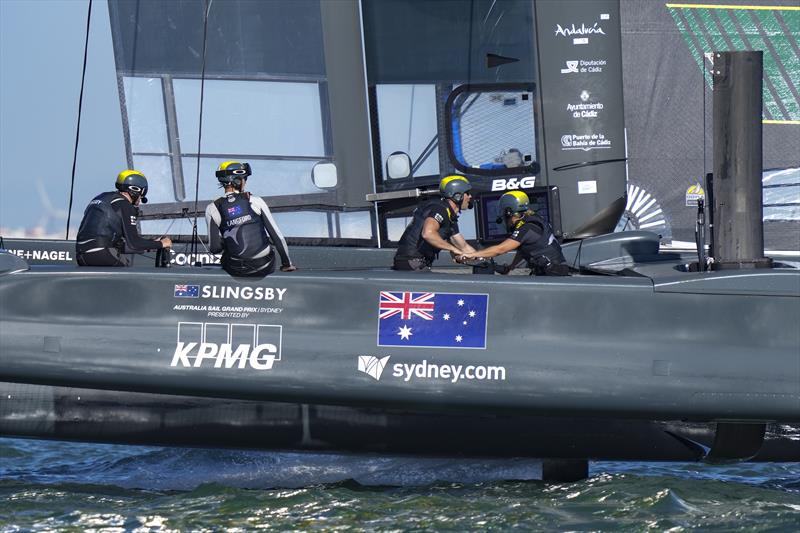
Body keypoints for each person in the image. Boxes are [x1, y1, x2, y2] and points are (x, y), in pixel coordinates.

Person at [205, 161, 295, 277]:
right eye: (244, 179)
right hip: (264, 266)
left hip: (235, 269)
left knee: (227, 257)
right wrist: (287, 264)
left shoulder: (212, 208)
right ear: (237, 181)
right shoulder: (255, 201)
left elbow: (214, 248)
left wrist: (228, 241)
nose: (245, 182)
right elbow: (277, 237)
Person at [460, 190, 569, 276]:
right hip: (550, 271)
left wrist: (472, 255)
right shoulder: (530, 220)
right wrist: (511, 267)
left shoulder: (527, 228)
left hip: (553, 273)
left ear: (508, 211)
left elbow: (500, 249)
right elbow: (525, 249)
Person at [76, 170, 171, 266]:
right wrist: (162, 244)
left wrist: (151, 244)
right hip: (102, 254)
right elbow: (134, 244)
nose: (140, 201)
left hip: (82, 256)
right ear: (136, 191)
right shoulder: (124, 205)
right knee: (129, 272)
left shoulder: (103, 197)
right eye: (141, 197)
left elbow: (119, 245)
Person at [393, 174, 477, 271]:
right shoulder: (439, 209)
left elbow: (463, 246)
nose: (470, 196)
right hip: (411, 262)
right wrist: (453, 249)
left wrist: (482, 258)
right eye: (467, 193)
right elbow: (428, 234)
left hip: (415, 263)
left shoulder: (450, 217)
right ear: (458, 196)